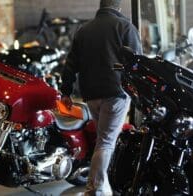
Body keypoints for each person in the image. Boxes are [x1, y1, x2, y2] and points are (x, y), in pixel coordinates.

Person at [60, 0, 142, 195]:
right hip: (116, 93)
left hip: (91, 95)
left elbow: (70, 63)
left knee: (103, 140)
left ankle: (103, 185)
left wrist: (66, 91)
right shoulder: (125, 27)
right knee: (105, 142)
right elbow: (137, 63)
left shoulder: (84, 30)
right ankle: (95, 189)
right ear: (118, 7)